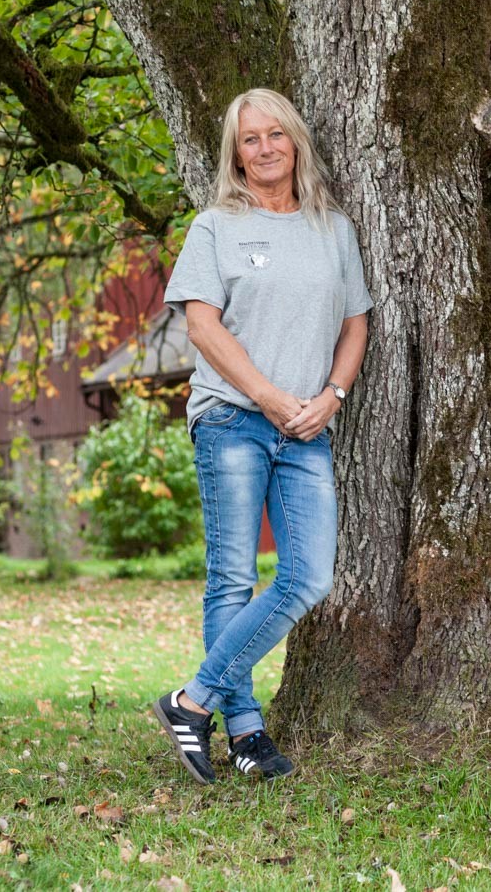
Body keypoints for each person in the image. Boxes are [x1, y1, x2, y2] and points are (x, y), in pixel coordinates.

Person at [151, 87, 372, 784]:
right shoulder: (216, 226)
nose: (266, 147)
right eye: (251, 138)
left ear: (297, 140)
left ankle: (190, 702)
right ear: (235, 153)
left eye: (276, 134)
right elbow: (202, 325)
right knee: (234, 577)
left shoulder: (332, 228)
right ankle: (245, 732)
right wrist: (271, 397)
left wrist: (332, 396)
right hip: (233, 420)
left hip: (308, 426)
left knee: (307, 576)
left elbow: (355, 322)